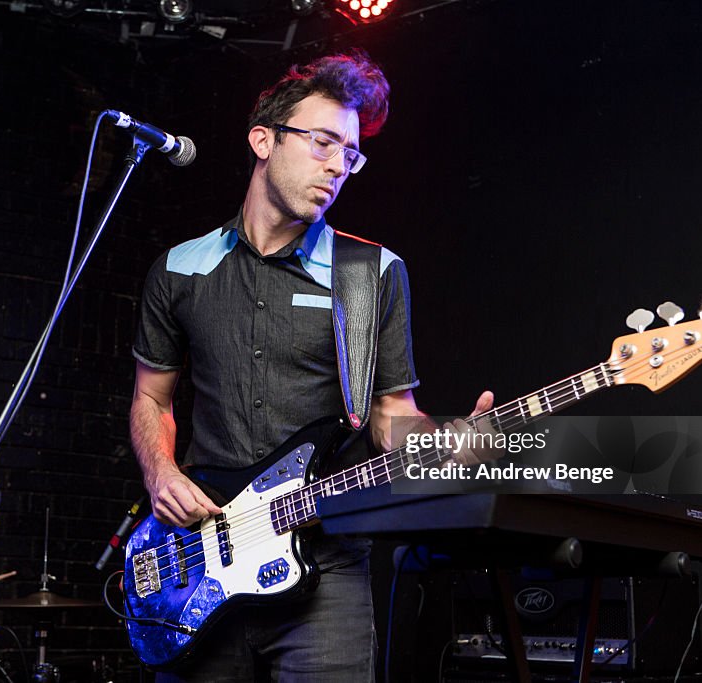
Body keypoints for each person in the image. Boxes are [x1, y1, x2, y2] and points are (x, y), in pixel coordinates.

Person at [130, 51, 493, 681]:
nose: (337, 166)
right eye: (323, 142)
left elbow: (389, 417)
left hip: (326, 567)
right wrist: (159, 470)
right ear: (263, 140)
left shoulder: (371, 273)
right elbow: (151, 399)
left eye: (350, 155)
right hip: (203, 561)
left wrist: (442, 444)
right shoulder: (180, 268)